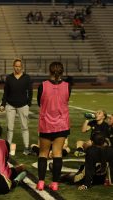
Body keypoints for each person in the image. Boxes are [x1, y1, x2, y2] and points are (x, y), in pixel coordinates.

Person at [36, 61, 71, 191]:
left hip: (46, 124)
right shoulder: (68, 86)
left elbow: (40, 102)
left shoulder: (43, 85)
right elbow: (66, 100)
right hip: (61, 124)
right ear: (62, 72)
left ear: (49, 71)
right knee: (57, 154)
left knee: (43, 153)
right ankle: (55, 183)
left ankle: (40, 182)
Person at [0, 58, 33, 155]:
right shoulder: (9, 78)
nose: (18, 68)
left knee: (25, 127)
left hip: (23, 105)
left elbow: (30, 91)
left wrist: (28, 103)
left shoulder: (26, 78)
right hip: (10, 105)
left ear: (21, 67)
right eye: (16, 66)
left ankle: (26, 148)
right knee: (10, 128)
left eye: (19, 66)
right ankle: (8, 147)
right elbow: (6, 92)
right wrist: (3, 104)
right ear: (13, 66)